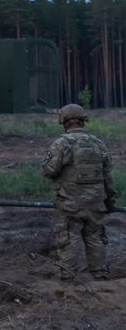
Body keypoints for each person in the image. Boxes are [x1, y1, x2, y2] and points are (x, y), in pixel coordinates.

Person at [40, 103, 117, 281]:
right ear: (83, 121)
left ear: (64, 122)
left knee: (69, 238)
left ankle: (68, 280)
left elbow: (48, 170)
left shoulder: (62, 143)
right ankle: (100, 277)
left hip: (70, 203)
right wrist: (110, 201)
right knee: (95, 237)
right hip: (96, 203)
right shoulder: (98, 143)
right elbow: (108, 177)